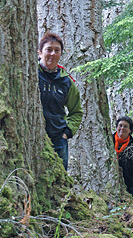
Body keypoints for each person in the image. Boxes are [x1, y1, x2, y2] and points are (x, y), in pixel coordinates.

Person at [38, 32, 83, 171]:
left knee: (59, 180)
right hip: (33, 135)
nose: (52, 54)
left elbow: (76, 111)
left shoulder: (66, 82)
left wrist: (67, 133)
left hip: (58, 139)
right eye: (49, 49)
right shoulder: (31, 74)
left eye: (57, 50)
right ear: (40, 53)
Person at [113, 116, 133, 200]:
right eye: (120, 125)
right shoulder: (108, 142)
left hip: (125, 190)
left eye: (125, 126)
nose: (122, 128)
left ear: (130, 130)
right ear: (116, 127)